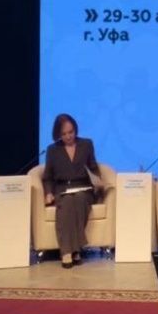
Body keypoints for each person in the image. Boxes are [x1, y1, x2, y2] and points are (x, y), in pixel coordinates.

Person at [42, 113, 102, 269]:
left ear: (75, 129)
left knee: (80, 199)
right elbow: (47, 177)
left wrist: (97, 180)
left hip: (84, 188)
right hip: (63, 189)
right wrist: (48, 193)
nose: (68, 136)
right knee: (68, 202)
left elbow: (94, 168)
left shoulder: (86, 144)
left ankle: (72, 249)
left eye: (71, 132)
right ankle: (70, 252)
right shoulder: (52, 150)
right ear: (58, 134)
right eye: (64, 134)